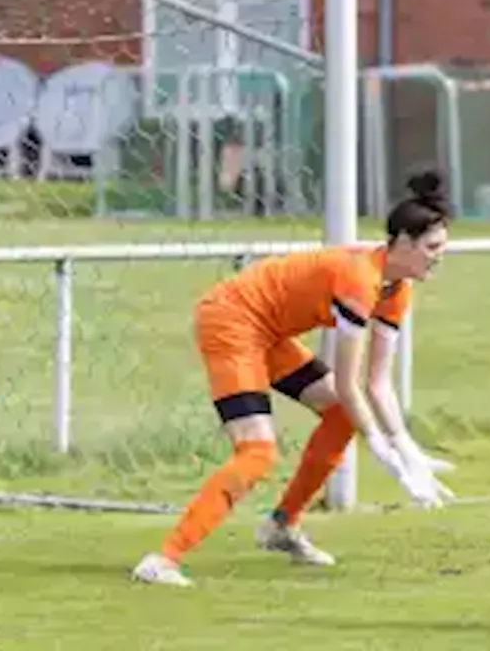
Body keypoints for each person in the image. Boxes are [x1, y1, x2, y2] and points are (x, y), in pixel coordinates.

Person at [132, 170, 457, 587]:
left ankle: (282, 526)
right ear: (404, 242)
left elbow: (378, 383)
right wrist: (383, 451)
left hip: (268, 331)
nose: (439, 257)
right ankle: (162, 560)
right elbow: (347, 381)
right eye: (432, 247)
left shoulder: (399, 289)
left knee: (341, 416)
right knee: (257, 452)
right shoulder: (360, 280)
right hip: (231, 320)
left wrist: (407, 448)